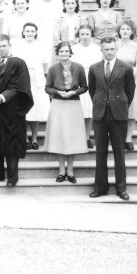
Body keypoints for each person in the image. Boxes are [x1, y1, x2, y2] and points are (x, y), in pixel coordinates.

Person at [0, 34, 34, 187]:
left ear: (10, 45)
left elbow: (20, 86)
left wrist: (2, 97)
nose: (1, 48)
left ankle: (12, 177)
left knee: (11, 143)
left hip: (11, 110)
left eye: (4, 45)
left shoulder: (18, 63)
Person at [88, 37, 136, 201]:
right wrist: (101, 103)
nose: (109, 52)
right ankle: (100, 187)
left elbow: (130, 91)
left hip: (118, 114)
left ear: (116, 49)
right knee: (100, 152)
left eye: (112, 49)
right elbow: (92, 90)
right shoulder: (94, 68)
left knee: (119, 153)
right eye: (106, 49)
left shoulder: (126, 68)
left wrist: (119, 104)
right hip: (100, 114)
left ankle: (121, 188)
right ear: (101, 50)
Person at [43, 42, 88, 183]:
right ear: (57, 53)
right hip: (58, 104)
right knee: (60, 137)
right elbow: (47, 87)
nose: (64, 53)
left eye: (66, 51)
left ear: (70, 52)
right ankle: (62, 170)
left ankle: (71, 171)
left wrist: (74, 92)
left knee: (71, 138)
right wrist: (57, 92)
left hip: (73, 104)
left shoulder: (79, 68)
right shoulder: (52, 69)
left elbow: (84, 86)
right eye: (61, 51)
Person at [11, 22, 50, 150]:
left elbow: (44, 64)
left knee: (36, 110)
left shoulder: (40, 46)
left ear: (35, 33)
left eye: (32, 31)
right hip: (22, 80)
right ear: (23, 32)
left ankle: (34, 139)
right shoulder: (17, 46)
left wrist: (41, 78)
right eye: (27, 31)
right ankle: (25, 138)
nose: (29, 33)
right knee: (24, 110)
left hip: (37, 81)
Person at [117, 19, 137, 151]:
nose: (125, 31)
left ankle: (128, 139)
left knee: (132, 110)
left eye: (128, 29)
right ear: (119, 31)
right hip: (115, 80)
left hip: (132, 79)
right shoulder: (114, 45)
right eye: (123, 29)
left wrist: (130, 75)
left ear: (132, 32)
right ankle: (117, 136)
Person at [72, 24, 102, 149]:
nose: (84, 36)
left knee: (89, 111)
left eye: (87, 34)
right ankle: (75, 137)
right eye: (82, 34)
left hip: (92, 79)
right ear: (78, 35)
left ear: (91, 35)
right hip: (77, 80)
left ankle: (86, 137)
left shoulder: (96, 49)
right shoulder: (74, 48)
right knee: (77, 110)